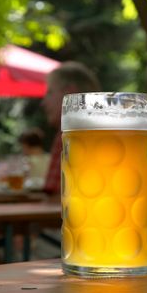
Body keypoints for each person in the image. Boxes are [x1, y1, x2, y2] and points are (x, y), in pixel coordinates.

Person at [42, 61, 101, 195]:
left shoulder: (78, 134)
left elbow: (57, 199)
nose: (43, 102)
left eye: (50, 92)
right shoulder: (67, 131)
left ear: (69, 93)